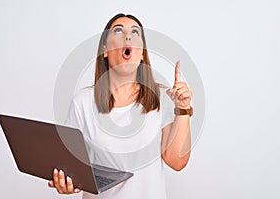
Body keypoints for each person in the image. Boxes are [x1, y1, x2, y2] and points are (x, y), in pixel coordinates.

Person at [48, 13, 193, 199]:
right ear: (105, 50)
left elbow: (177, 161)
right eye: (118, 30)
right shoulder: (83, 102)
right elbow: (69, 166)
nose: (127, 36)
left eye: (135, 32)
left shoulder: (161, 100)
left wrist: (183, 109)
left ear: (142, 53)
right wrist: (66, 182)